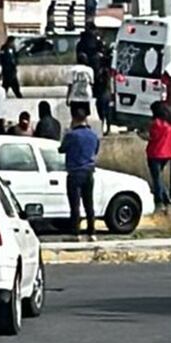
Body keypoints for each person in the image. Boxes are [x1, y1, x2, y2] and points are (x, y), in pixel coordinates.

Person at [59, 105, 100, 240]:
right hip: (89, 171)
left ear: (74, 119)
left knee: (75, 204)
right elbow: (96, 150)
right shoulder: (93, 135)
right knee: (89, 203)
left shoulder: (72, 135)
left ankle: (76, 232)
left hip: (75, 172)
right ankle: (92, 231)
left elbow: (62, 149)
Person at [146, 101, 171, 206]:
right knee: (159, 176)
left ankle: (161, 199)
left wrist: (140, 135)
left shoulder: (157, 123)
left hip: (155, 152)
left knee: (157, 178)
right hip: (168, 152)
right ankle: (166, 198)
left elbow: (152, 137)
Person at [94, 54, 114, 135]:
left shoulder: (102, 71)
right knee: (106, 112)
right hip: (107, 94)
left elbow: (102, 82)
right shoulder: (108, 71)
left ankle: (104, 128)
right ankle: (106, 128)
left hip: (103, 94)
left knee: (102, 112)